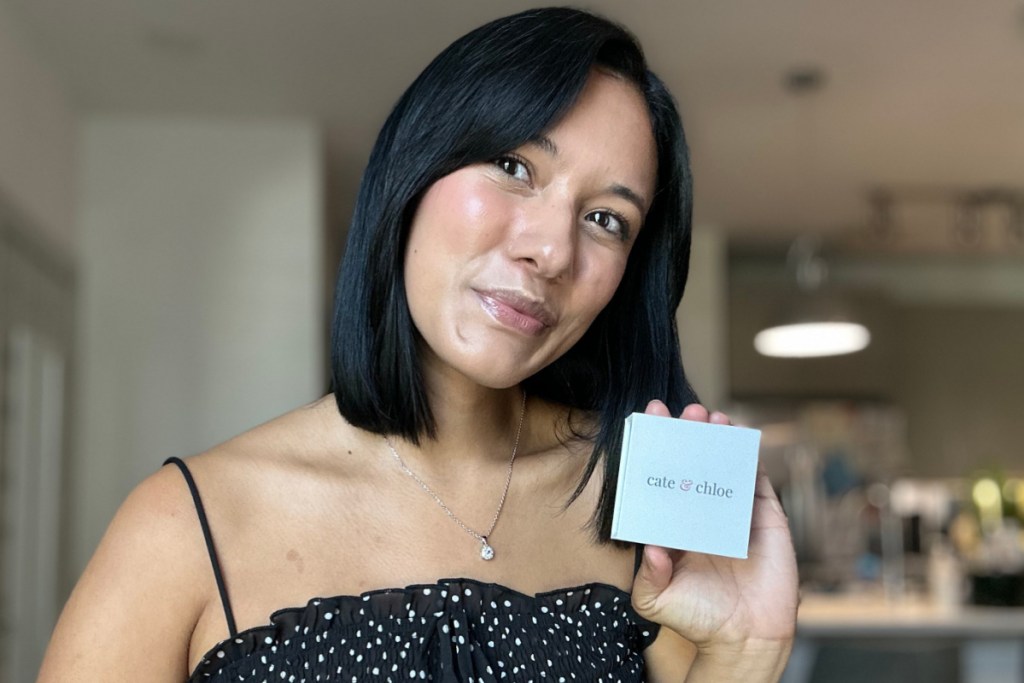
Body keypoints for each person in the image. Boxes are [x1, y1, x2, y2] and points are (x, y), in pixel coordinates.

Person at [39, 7, 798, 682]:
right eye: (513, 166)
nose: (552, 251)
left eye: (606, 219)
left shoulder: (638, 517)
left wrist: (745, 654)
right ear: (415, 167)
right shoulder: (182, 524)